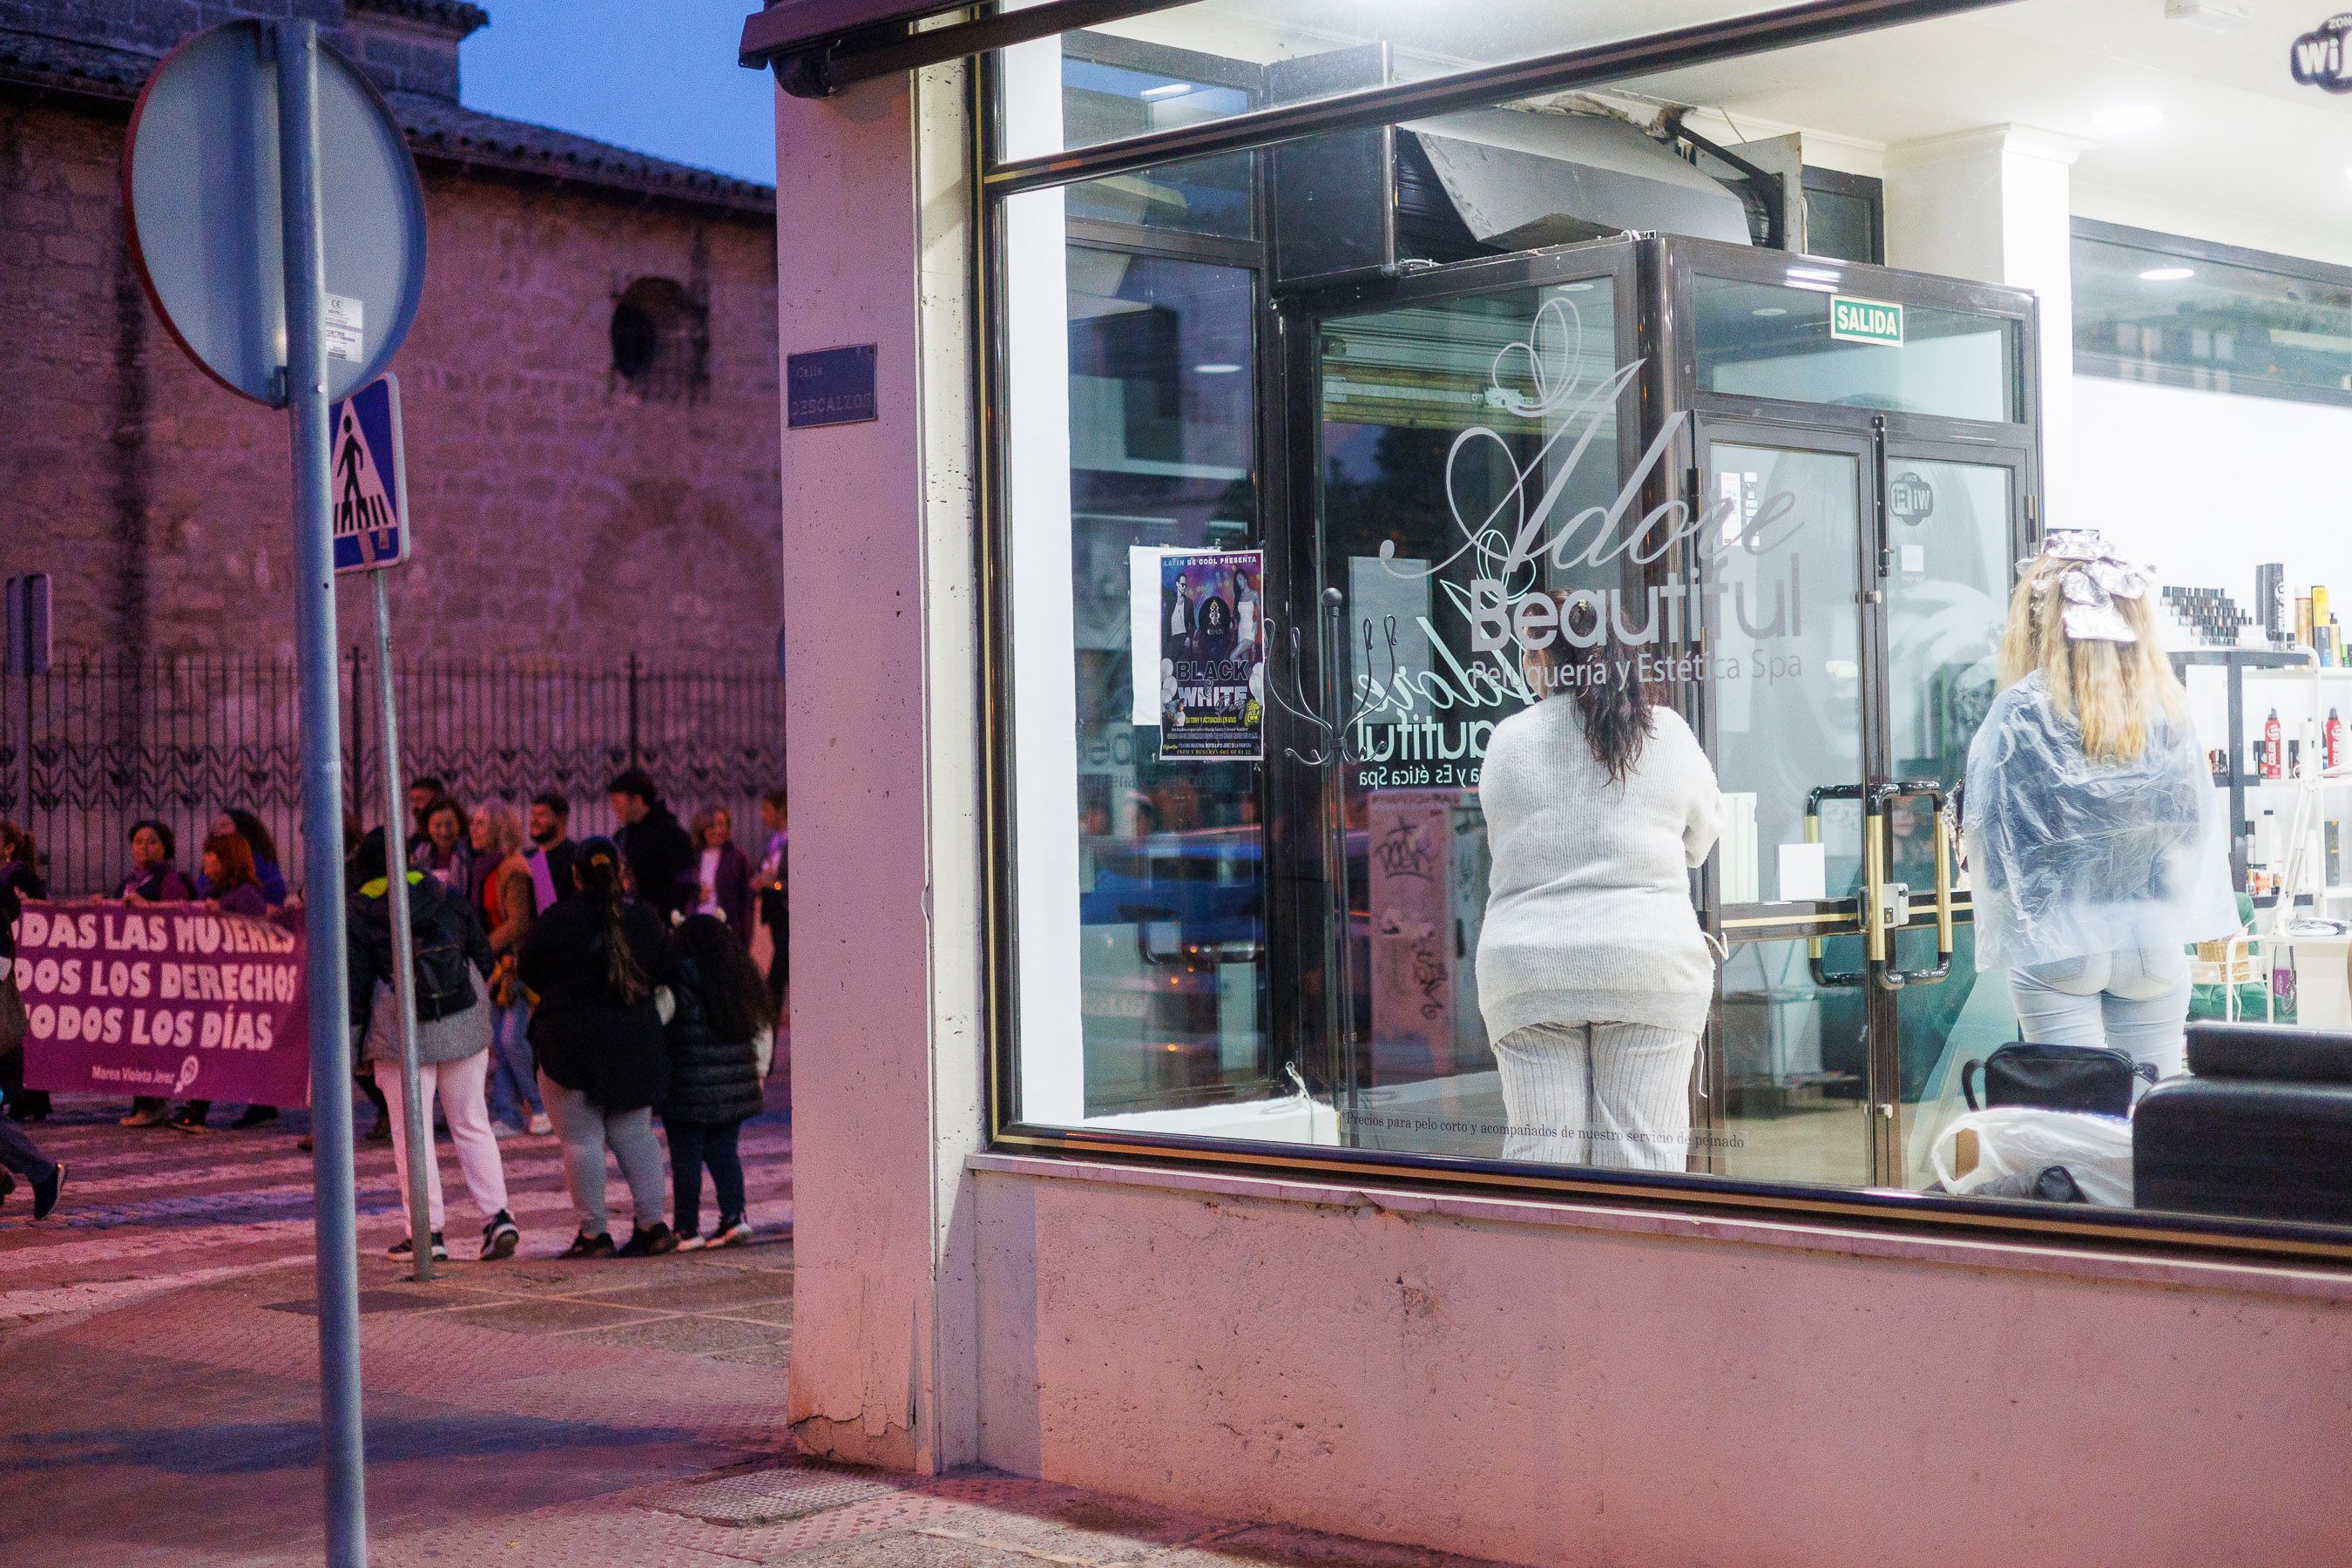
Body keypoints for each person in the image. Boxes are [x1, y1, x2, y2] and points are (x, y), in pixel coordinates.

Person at [1963, 531, 2237, 1083]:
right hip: (2153, 942)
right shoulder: (2168, 712)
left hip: (2060, 945)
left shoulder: (2020, 712)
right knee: (2151, 1118)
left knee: (2077, 1126)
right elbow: (2190, 837)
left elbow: (1995, 855)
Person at [1476, 591, 1723, 1171]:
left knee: (1542, 1161)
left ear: (1541, 658)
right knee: (1641, 1166)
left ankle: (1537, 1264)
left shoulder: (1509, 740)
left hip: (1528, 968)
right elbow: (1702, 837)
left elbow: (1505, 843)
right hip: (1647, 965)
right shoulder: (1665, 732)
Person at [346, 828, 518, 1263]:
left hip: (398, 1030)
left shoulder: (360, 908)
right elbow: (481, 954)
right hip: (461, 1022)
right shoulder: (447, 894)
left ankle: (427, 1233)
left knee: (411, 1135)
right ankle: (497, 1217)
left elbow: (356, 984)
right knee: (472, 1122)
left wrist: (354, 1046)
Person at [517, 836, 676, 1257]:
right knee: (635, 1134)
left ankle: (594, 1234)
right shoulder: (644, 918)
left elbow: (528, 970)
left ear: (575, 875)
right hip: (636, 1040)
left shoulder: (558, 919)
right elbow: (664, 967)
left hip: (569, 1045)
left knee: (581, 1141)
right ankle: (654, 1226)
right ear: (621, 872)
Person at [660, 915, 774, 1249]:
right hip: (732, 1090)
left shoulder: (674, 982)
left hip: (687, 1089)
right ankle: (734, 1218)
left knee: (686, 1159)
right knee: (725, 1154)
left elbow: (657, 1022)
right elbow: (761, 1031)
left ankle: (686, 1228)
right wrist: (760, 1072)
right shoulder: (738, 980)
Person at [166, 831, 272, 1133]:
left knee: (212, 1044)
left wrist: (224, 916)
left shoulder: (246, 895)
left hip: (235, 983)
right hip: (213, 982)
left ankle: (198, 1109)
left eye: (212, 854)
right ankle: (262, 1105)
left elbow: (257, 934)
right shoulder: (212, 890)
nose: (206, 860)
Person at [470, 801, 550, 1138]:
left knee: (511, 1040)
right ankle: (507, 1113)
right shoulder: (486, 867)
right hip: (499, 966)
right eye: (473, 823)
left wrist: (482, 946)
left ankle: (541, 1106)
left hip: (515, 965)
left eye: (481, 824)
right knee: (500, 1043)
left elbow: (519, 923)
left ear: (500, 828)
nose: (473, 829)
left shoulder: (513, 868)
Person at [119, 820, 198, 1126]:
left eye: (152, 842)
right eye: (138, 842)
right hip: (133, 971)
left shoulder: (170, 880)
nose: (143, 848)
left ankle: (153, 1101)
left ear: (165, 847)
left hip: (161, 973)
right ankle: (145, 1100)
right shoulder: (130, 881)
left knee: (152, 1034)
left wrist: (148, 909)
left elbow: (180, 915)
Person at [1, 821, 51, 1123]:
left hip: (12, 961)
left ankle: (21, 1096)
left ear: (9, 848)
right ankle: (24, 1097)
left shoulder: (17, 876)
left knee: (9, 1027)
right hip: (16, 961)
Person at [606, 768, 696, 923]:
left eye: (617, 802)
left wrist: (667, 917)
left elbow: (687, 883)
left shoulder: (672, 835)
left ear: (638, 801)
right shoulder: (622, 836)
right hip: (628, 921)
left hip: (660, 925)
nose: (613, 807)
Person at [196, 808, 288, 908]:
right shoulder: (212, 863)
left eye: (224, 825)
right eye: (215, 826)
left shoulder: (259, 864)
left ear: (242, 829)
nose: (217, 830)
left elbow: (274, 896)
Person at [688, 805, 754, 931]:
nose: (718, 830)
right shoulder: (691, 858)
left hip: (727, 929)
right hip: (696, 926)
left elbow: (746, 902)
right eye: (712, 826)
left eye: (722, 825)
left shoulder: (738, 858)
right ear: (702, 828)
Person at [754, 789, 789, 1010]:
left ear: (781, 811)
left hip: (787, 913)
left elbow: (788, 882)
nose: (762, 815)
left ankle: (769, 1018)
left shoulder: (790, 842)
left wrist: (773, 884)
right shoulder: (772, 843)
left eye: (767, 810)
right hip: (775, 914)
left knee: (777, 974)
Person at [528, 791, 578, 910]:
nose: (534, 820)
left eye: (541, 815)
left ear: (562, 817)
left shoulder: (574, 857)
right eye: (533, 814)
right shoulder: (529, 856)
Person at [411, 794, 474, 893]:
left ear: (459, 824)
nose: (444, 832)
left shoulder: (471, 853)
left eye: (449, 824)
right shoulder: (419, 856)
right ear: (427, 827)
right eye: (437, 825)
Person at [406, 776, 446, 861]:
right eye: (413, 800)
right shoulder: (415, 841)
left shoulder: (448, 837)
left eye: (420, 799)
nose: (415, 806)